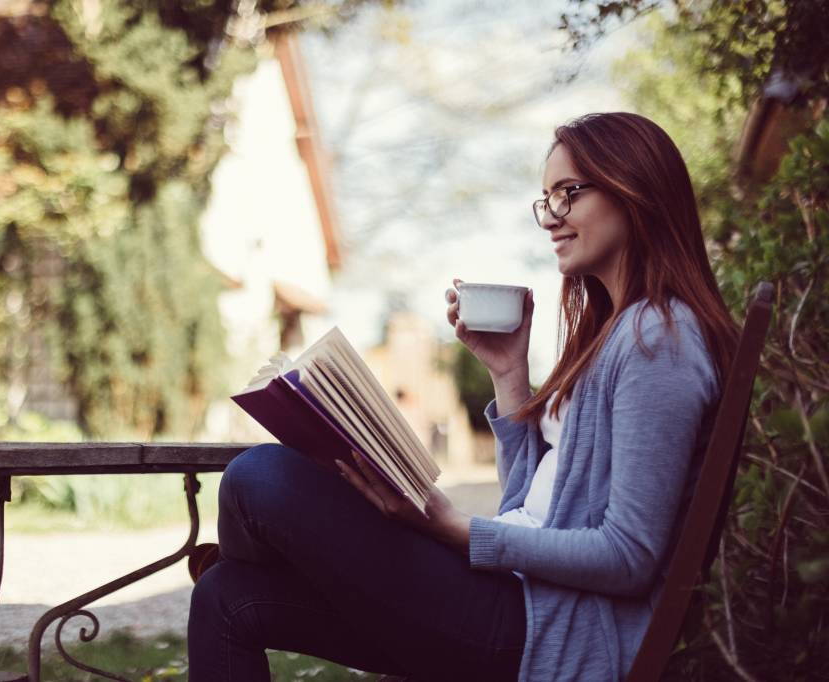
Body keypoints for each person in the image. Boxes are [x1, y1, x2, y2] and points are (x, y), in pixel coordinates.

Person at [186, 112, 738, 681]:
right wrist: (508, 373)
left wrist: (452, 530)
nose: (551, 218)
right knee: (228, 596)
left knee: (260, 476)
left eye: (567, 193)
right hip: (512, 603)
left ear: (635, 187)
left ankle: (306, 562)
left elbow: (628, 558)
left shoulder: (658, 341)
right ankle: (301, 564)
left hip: (540, 630)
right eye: (546, 200)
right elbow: (529, 505)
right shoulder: (615, 333)